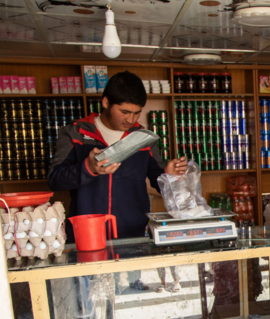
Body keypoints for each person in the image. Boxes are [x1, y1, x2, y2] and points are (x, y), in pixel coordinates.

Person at [48, 70, 187, 292]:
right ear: (105, 102)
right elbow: (55, 180)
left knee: (129, 303)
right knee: (89, 306)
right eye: (124, 111)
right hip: (86, 239)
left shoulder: (142, 139)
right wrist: (88, 168)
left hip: (132, 237)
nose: (130, 120)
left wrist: (169, 175)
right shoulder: (75, 133)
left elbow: (158, 178)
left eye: (136, 113)